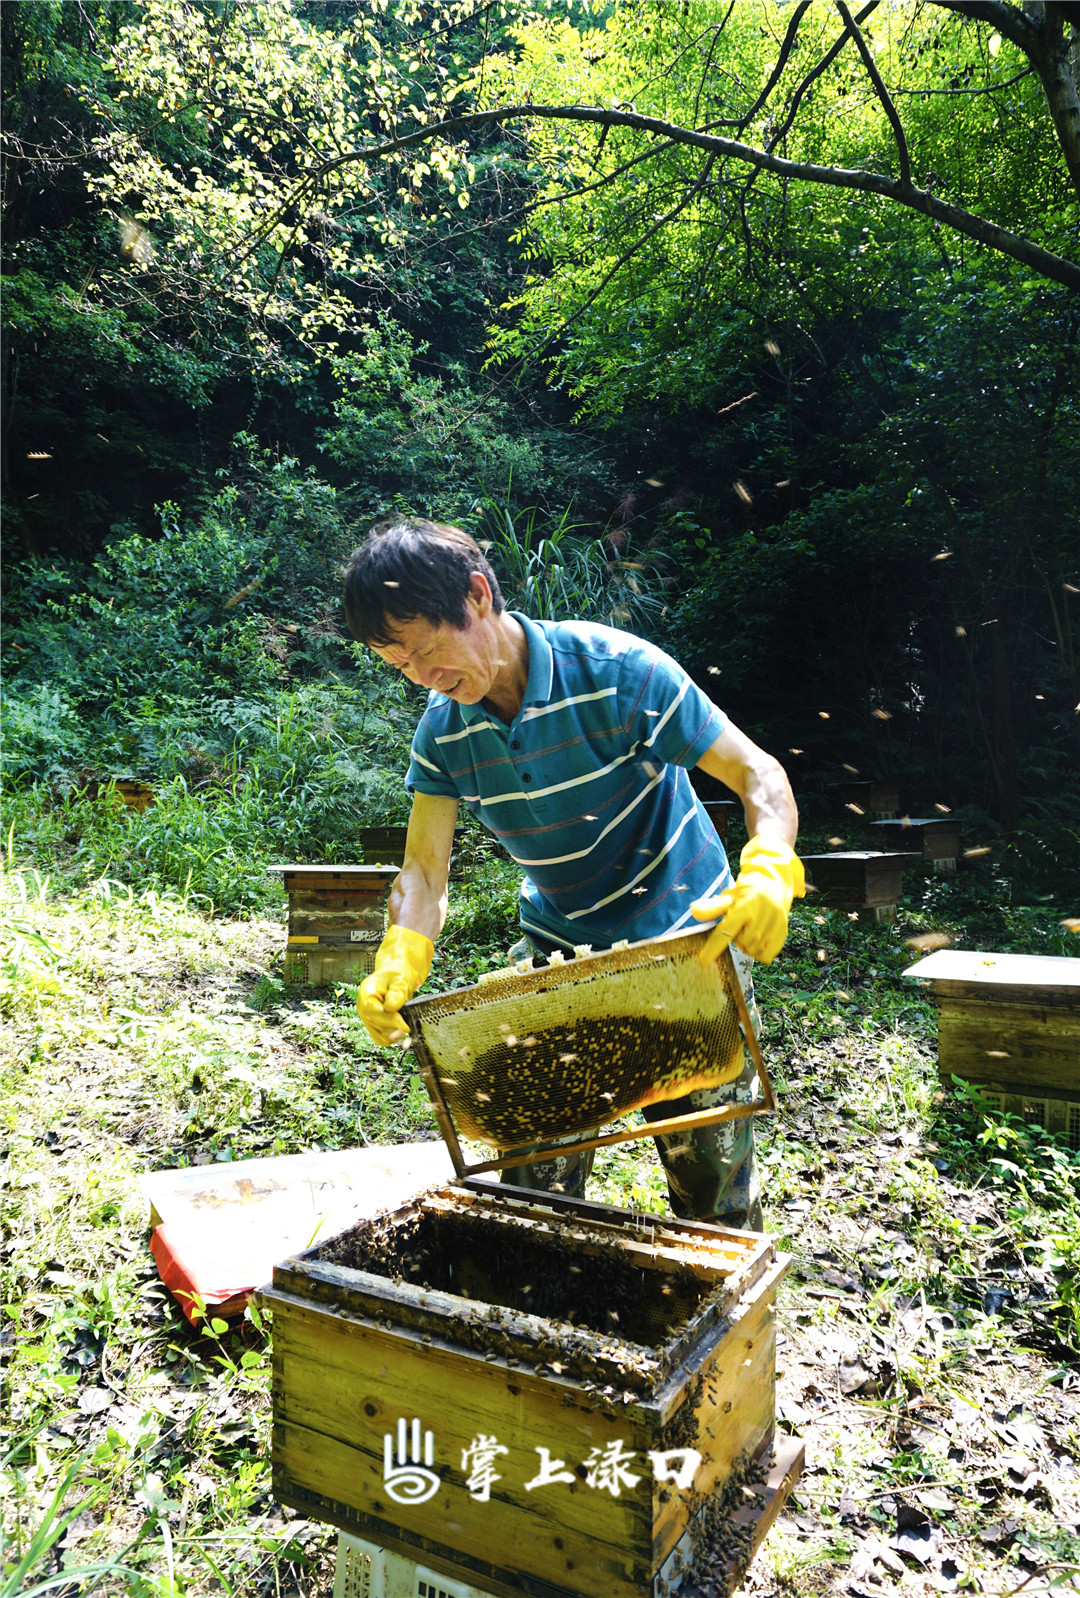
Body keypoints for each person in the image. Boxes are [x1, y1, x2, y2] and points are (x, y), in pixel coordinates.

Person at [343, 517, 804, 1230]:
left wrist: (770, 864)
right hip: (561, 954)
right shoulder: (444, 731)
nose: (425, 679)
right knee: (531, 1192)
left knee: (711, 1187)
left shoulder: (619, 671)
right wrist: (402, 951)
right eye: (402, 667)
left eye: (430, 651)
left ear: (477, 595)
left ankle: (725, 1327)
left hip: (689, 940)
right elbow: (425, 870)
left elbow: (757, 773)